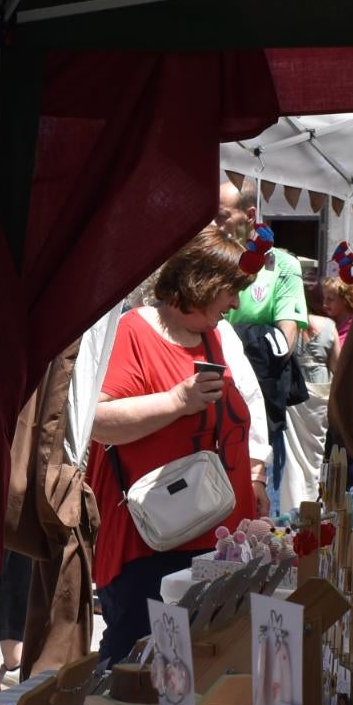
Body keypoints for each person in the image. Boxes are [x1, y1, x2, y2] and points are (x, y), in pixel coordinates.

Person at [88, 230, 261, 663]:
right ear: (201, 283)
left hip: (209, 534)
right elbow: (98, 422)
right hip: (153, 542)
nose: (235, 304)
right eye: (230, 292)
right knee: (136, 666)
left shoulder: (208, 334)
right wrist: (175, 402)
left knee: (191, 672)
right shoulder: (135, 332)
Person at [216, 183, 310, 516]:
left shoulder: (281, 266)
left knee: (255, 519)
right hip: (211, 409)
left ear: (250, 215)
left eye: (222, 216)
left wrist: (231, 337)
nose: (215, 224)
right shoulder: (212, 262)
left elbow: (284, 343)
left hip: (259, 412)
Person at [280, 256, 338, 515]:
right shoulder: (329, 326)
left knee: (292, 458)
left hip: (294, 393)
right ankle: (311, 505)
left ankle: (293, 506)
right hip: (321, 394)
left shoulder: (288, 325)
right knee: (314, 457)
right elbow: (337, 365)